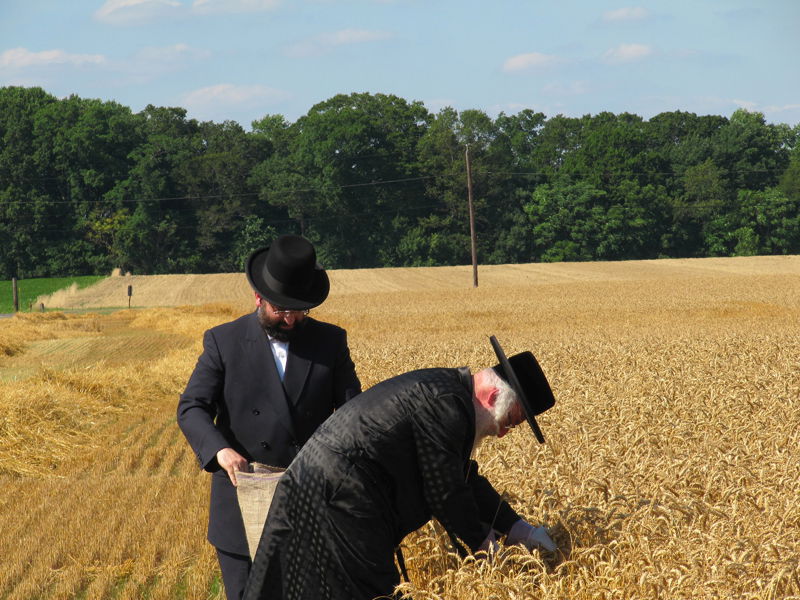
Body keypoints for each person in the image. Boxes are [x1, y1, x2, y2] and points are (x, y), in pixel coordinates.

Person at [243, 335, 557, 600]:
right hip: (339, 498)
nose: (503, 432)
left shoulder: (450, 394)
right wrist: (484, 546)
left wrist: (518, 528)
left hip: (329, 490)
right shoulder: (448, 404)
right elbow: (445, 491)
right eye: (512, 420)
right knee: (370, 590)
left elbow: (462, 478)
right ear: (491, 396)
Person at [177, 234, 361, 600]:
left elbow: (354, 412)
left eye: (299, 310)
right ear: (258, 297)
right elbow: (191, 407)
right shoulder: (223, 342)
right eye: (281, 309)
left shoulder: (330, 342)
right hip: (241, 505)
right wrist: (220, 451)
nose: (290, 319)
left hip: (310, 502)